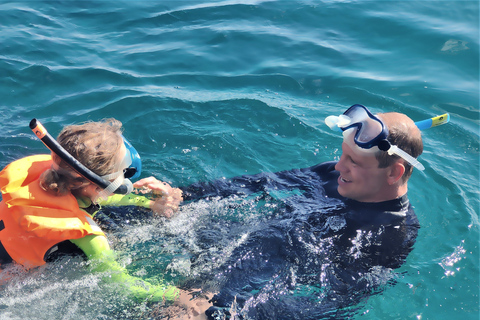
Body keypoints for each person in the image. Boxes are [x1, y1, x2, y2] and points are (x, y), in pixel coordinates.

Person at [178, 104, 425, 319]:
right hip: (232, 240)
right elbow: (262, 182)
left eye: (354, 162)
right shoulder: (333, 173)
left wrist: (229, 313)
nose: (339, 166)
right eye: (343, 154)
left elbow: (333, 304)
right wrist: (184, 194)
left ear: (393, 173)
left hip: (257, 289)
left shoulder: (394, 234)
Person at [0, 118, 190, 306]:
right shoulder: (90, 237)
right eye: (120, 174)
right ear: (98, 186)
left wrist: (149, 204)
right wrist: (176, 296)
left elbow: (104, 195)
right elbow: (120, 284)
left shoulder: (44, 181)